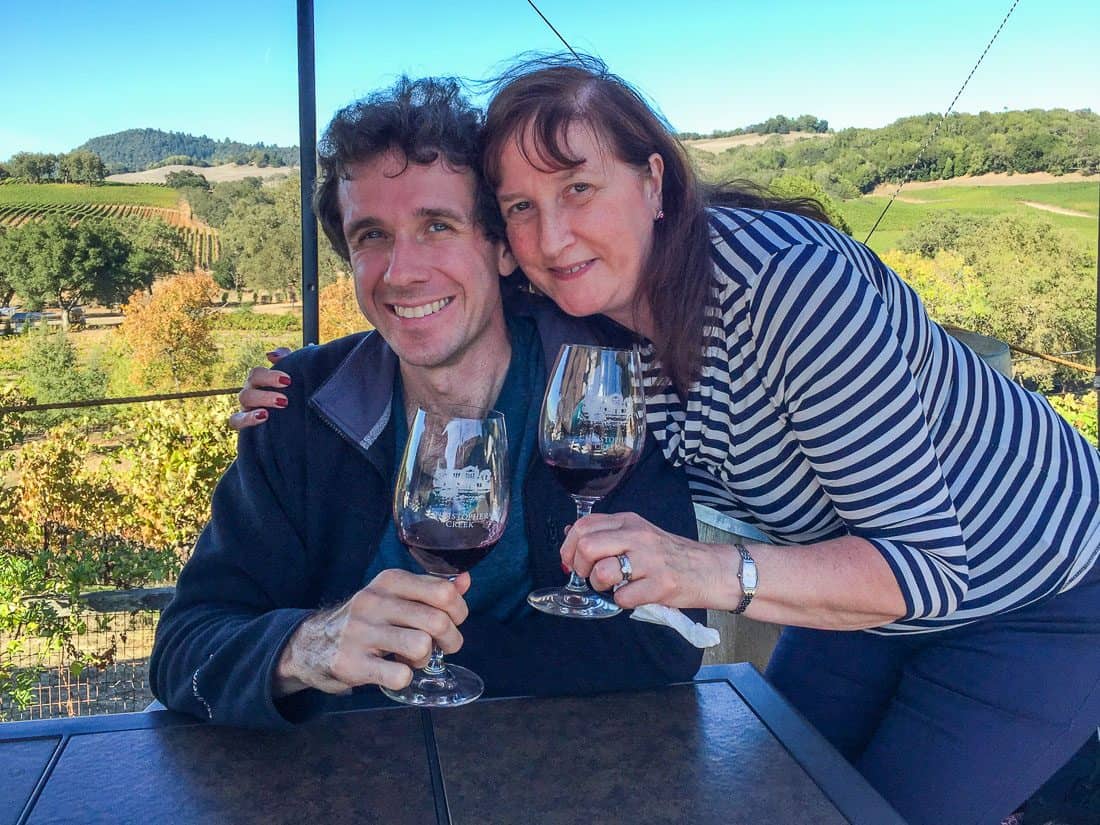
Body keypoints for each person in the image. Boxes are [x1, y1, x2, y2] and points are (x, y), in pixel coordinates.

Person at [238, 56, 1099, 825]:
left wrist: (703, 570)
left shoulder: (791, 290)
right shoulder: (585, 316)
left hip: (1034, 587)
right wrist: (301, 380)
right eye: (520, 210)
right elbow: (436, 307)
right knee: (769, 800)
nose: (553, 236)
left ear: (653, 183)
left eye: (579, 189)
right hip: (847, 580)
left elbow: (931, 567)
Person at [149, 76, 704, 730]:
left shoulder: (594, 388)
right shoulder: (301, 412)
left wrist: (409, 657)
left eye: (436, 226)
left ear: (502, 247)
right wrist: (311, 645)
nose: (400, 271)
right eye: (371, 237)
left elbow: (663, 641)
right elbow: (183, 648)